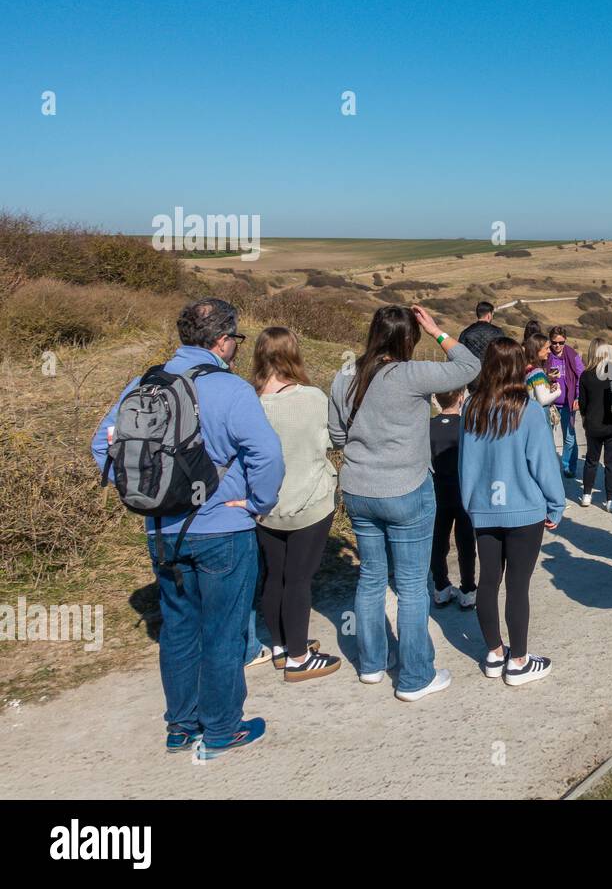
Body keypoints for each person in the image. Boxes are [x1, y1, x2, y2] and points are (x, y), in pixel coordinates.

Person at [91, 298, 284, 758]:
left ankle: (180, 727)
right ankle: (221, 729)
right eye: (234, 339)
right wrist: (258, 503)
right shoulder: (231, 389)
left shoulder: (142, 384)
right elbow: (268, 455)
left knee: (178, 627)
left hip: (162, 531)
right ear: (222, 340)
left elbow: (105, 446)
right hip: (224, 528)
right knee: (224, 630)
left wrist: (147, 496)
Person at [328, 305, 480, 701]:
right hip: (406, 487)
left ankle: (373, 664)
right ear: (409, 337)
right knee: (412, 586)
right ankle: (415, 676)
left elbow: (337, 436)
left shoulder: (345, 374)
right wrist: (438, 332)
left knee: (371, 578)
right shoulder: (410, 374)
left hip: (359, 488)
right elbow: (469, 366)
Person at [459, 338, 566, 687]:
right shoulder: (529, 409)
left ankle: (494, 653)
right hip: (524, 510)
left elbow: (466, 464)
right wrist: (556, 503)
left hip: (484, 509)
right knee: (517, 585)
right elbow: (544, 463)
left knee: (488, 581)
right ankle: (518, 661)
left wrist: (471, 504)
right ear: (519, 366)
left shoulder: (472, 407)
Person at [251, 327, 341, 682]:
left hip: (266, 506)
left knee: (275, 575)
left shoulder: (251, 401)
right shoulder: (313, 397)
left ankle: (281, 646)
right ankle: (300, 657)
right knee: (299, 579)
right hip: (309, 501)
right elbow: (333, 440)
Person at [430, 387, 477, 610]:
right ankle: (468, 588)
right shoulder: (467, 427)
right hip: (463, 493)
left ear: (437, 400)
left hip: (437, 493)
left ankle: (440, 587)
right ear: (461, 397)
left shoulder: (428, 427)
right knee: (465, 543)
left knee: (438, 542)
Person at [578, 337, 612, 512]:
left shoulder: (585, 375)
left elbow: (582, 404)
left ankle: (586, 495)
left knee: (591, 460)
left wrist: (586, 417)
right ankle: (610, 500)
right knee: (611, 464)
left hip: (593, 424)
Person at [543, 325, 585, 478]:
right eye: (554, 342)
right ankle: (550, 466)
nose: (557, 346)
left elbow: (582, 376)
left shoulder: (572, 355)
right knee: (547, 438)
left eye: (561, 342)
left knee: (569, 437)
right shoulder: (546, 355)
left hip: (568, 403)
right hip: (549, 403)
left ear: (565, 341)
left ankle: (568, 467)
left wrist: (579, 397)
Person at [459, 301, 507, 365]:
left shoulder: (466, 332)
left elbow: (459, 354)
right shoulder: (498, 332)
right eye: (493, 315)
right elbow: (503, 354)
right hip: (491, 370)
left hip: (471, 371)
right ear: (489, 315)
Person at [523, 333, 561, 408]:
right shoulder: (537, 373)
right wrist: (558, 392)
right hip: (537, 415)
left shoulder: (526, 369)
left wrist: (549, 390)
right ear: (537, 350)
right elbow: (542, 400)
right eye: (546, 348)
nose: (549, 351)